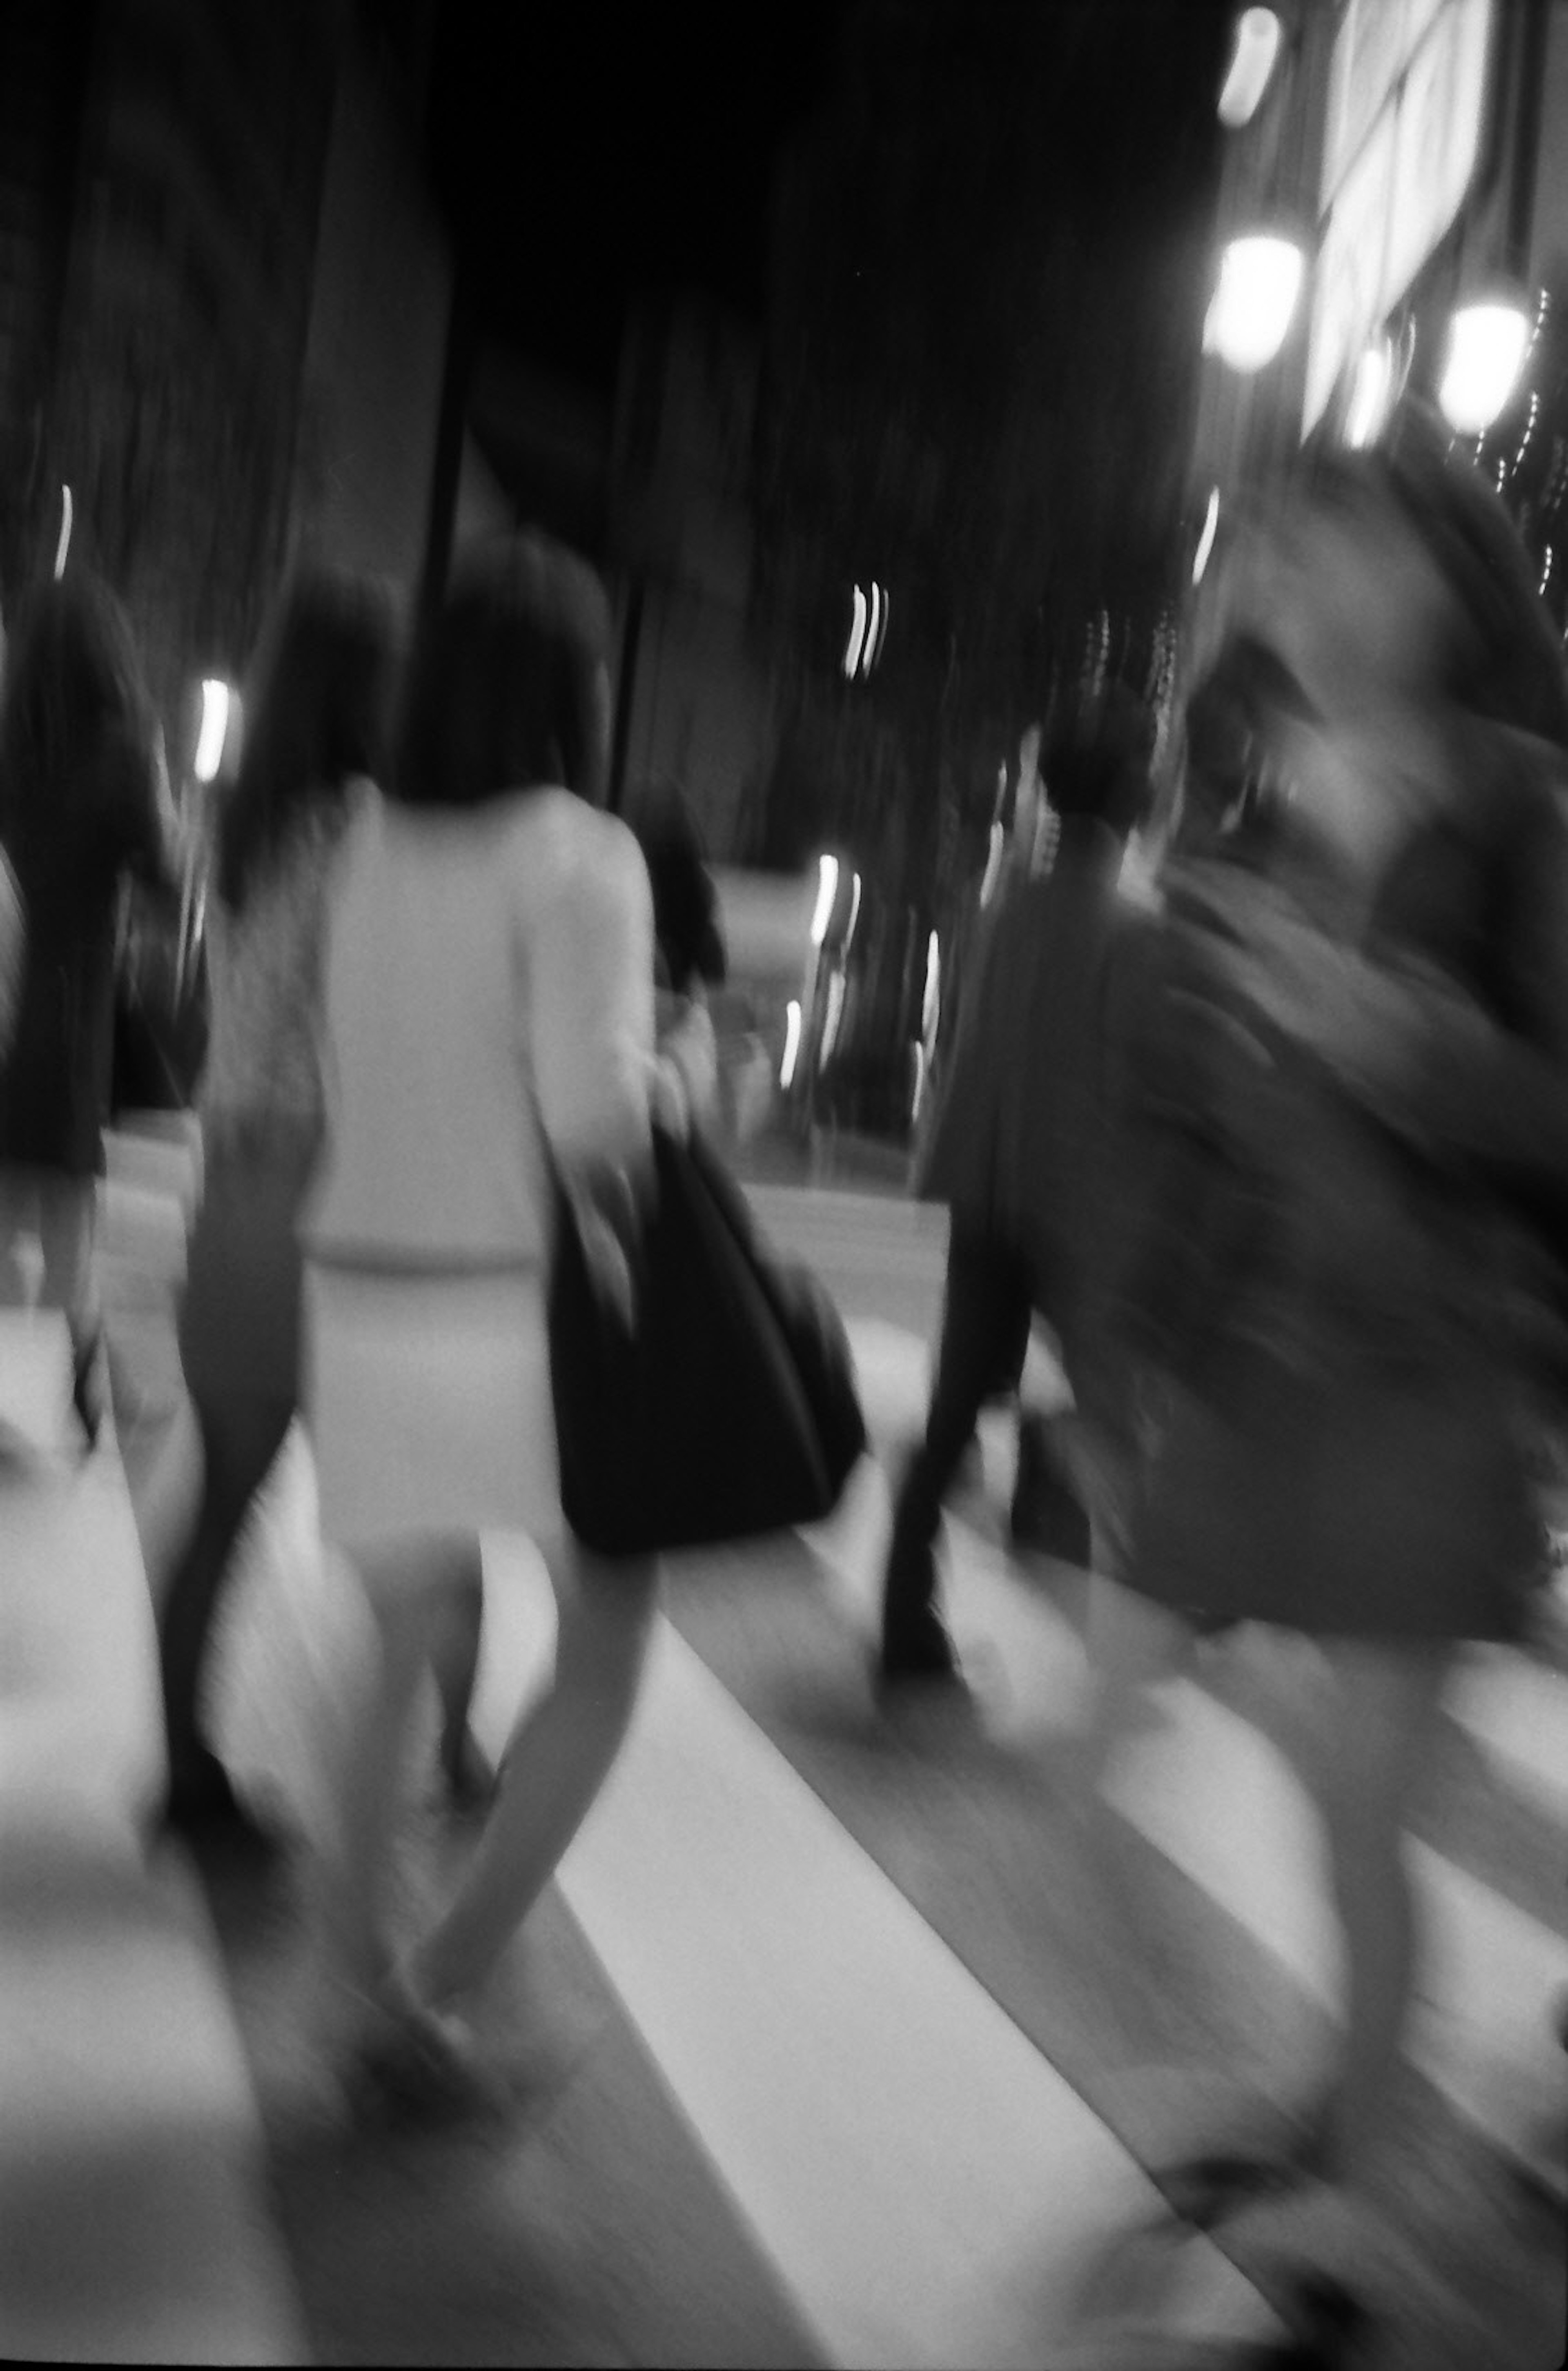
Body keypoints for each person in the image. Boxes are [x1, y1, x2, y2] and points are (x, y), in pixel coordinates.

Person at [1080, 421, 1568, 2325]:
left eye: (1353, 549)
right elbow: (1183, 1109)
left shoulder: (1527, 810)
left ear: (1448, 577)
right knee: (1104, 1733)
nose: (1310, 583)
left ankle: (1346, 2215)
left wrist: (1387, 1036)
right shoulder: (1249, 805)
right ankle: (1311, 2088)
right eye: (1292, 552)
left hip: (1427, 1373)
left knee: (1363, 1815)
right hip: (1236, 1364)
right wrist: (1119, 1342)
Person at [299, 531, 673, 2111]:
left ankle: (348, 1986)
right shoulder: (581, 853)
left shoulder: (365, 842)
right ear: (578, 693)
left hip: (358, 1289)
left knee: (393, 1651)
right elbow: (596, 1119)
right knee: (605, 1647)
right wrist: (663, 1090)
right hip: (507, 1311)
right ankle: (442, 1983)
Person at [157, 567, 475, 1845]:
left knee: (221, 1502)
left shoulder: (247, 826)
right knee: (431, 1502)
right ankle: (457, 1749)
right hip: (319, 1195)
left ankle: (183, 1772)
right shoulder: (360, 826)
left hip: (226, 1194)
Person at [878, 686, 1158, 1688]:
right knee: (1110, 1410)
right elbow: (1135, 1088)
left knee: (956, 1401)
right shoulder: (1134, 930)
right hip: (1078, 1204)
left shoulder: (1005, 907)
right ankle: (1121, 1633)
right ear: (1139, 800)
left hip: (987, 1183)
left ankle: (906, 1620)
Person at [0, 571, 182, 1445]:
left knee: (4, 1210)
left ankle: (36, 1373)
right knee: (71, 1218)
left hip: (4, 1007)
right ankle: (78, 1381)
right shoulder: (121, 754)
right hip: (70, 1029)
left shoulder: (9, 747)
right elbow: (167, 875)